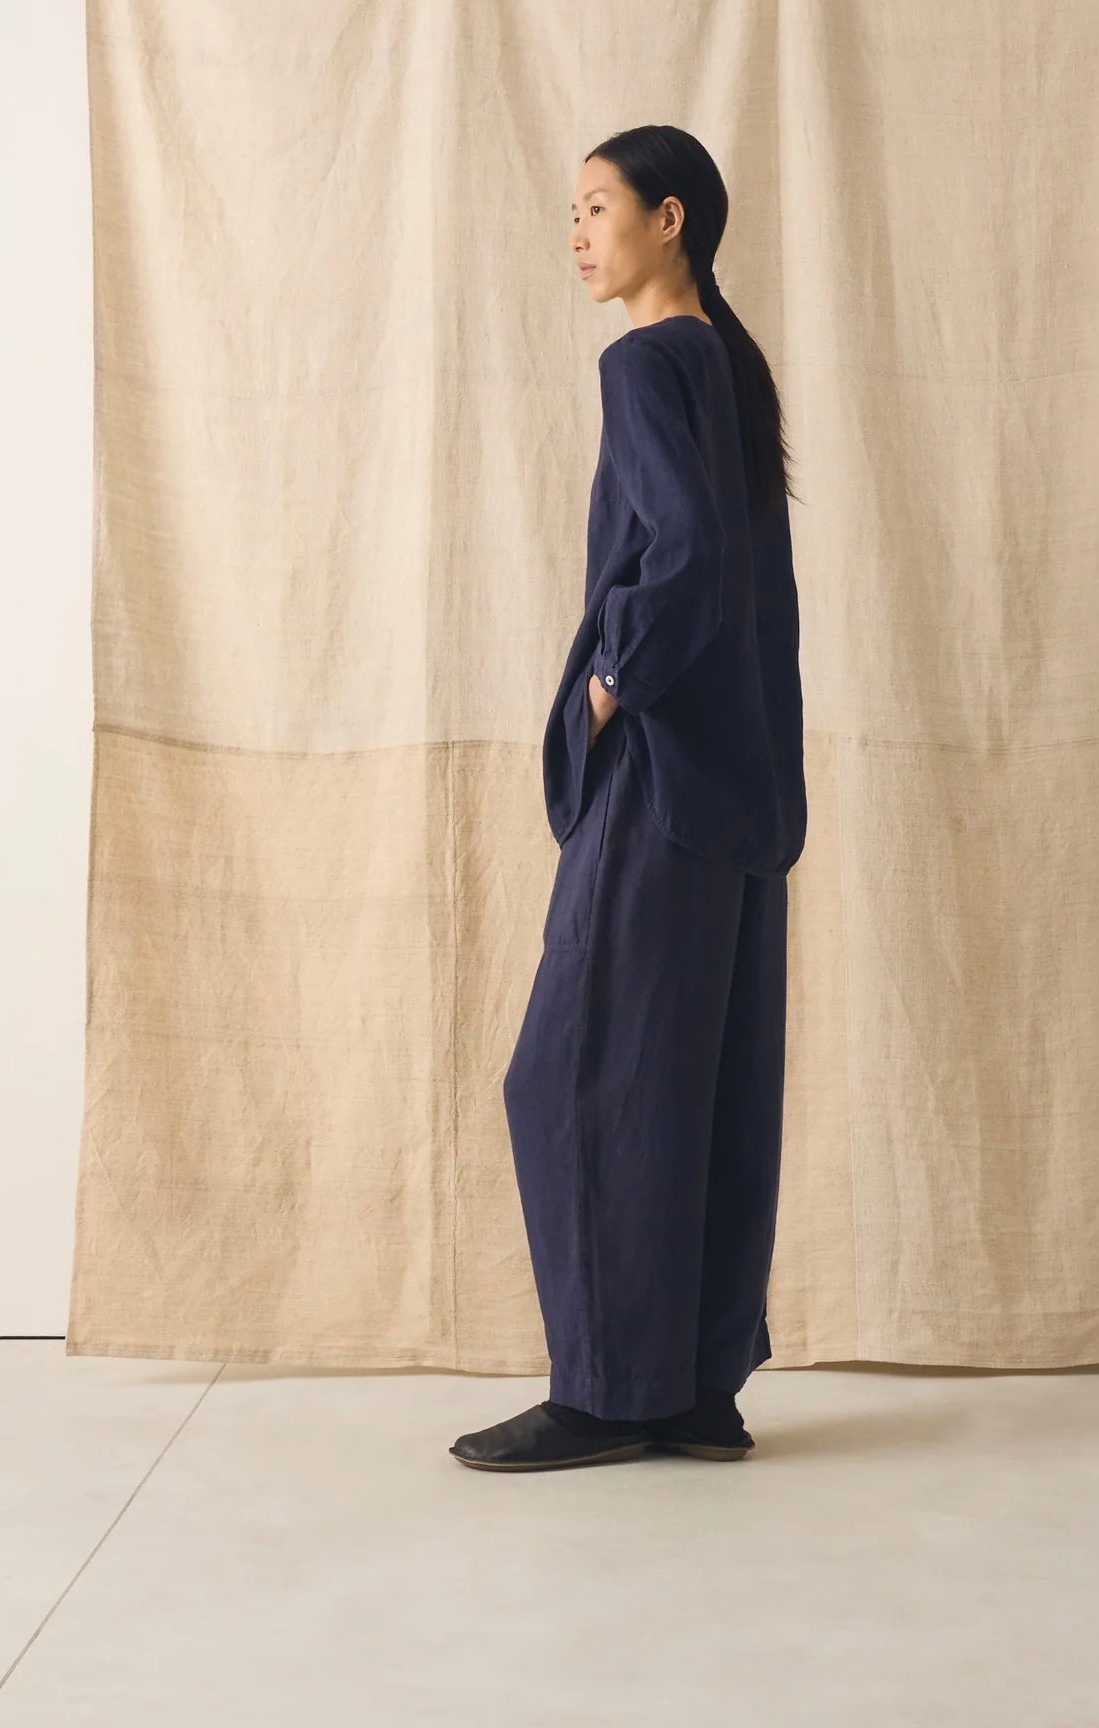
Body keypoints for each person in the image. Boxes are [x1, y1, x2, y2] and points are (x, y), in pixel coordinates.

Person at [450, 125, 807, 1472]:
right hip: (743, 788)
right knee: (702, 1078)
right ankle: (696, 1391)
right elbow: (751, 584)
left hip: (661, 779)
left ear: (672, 219)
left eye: (599, 207)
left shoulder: (648, 360)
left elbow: (693, 555)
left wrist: (608, 686)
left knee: (580, 1074)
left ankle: (606, 1393)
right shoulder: (730, 362)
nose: (579, 234)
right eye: (574, 211)